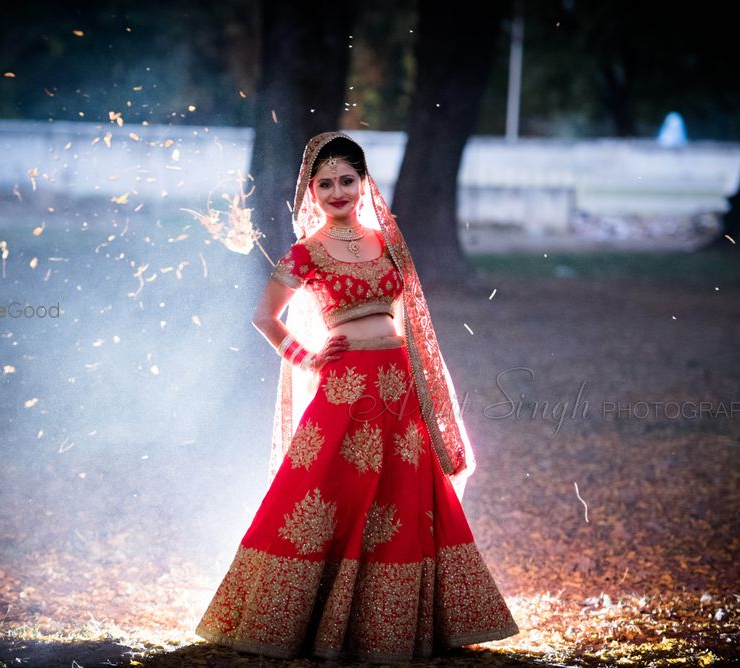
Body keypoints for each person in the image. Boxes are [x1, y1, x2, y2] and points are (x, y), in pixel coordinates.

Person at [194, 132, 519, 663]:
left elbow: (409, 320)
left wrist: (422, 380)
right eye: (326, 183)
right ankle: (289, 619)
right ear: (312, 192)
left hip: (398, 384)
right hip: (344, 386)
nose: (338, 191)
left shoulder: (387, 243)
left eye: (347, 179)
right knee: (322, 492)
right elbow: (264, 318)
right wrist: (308, 357)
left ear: (364, 183)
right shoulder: (306, 251)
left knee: (404, 499)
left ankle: (397, 627)